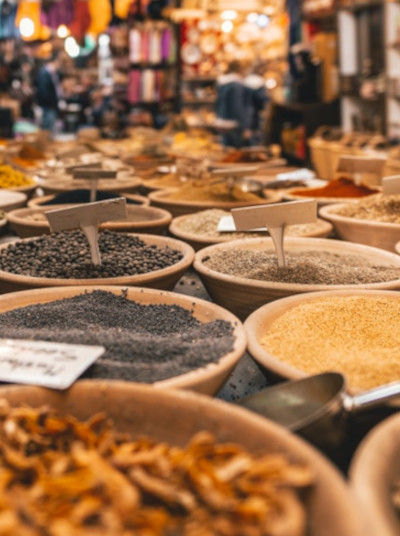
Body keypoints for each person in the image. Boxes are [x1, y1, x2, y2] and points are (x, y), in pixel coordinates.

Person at [215, 61, 247, 148]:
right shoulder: (237, 85)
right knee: (235, 153)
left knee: (225, 150)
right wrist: (244, 125)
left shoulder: (222, 83)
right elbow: (237, 106)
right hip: (233, 123)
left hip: (221, 121)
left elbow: (217, 103)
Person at [244, 63, 268, 145]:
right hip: (255, 114)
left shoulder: (245, 81)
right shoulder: (260, 83)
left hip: (245, 114)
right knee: (255, 136)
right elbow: (262, 101)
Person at [35, 55, 60, 131]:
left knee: (50, 125)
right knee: (47, 127)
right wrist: (50, 102)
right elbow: (43, 90)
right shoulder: (44, 73)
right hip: (48, 105)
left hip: (50, 104)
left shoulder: (49, 73)